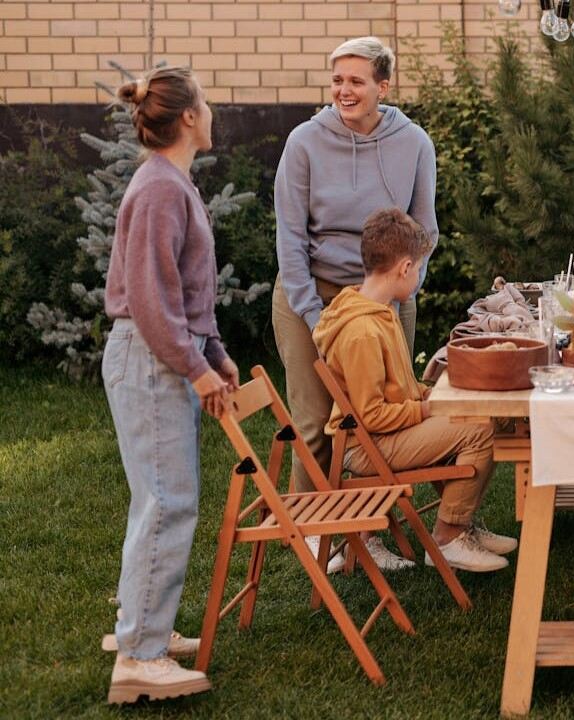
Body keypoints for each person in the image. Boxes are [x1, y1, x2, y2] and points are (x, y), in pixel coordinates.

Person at [101, 67, 238, 704]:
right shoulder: (159, 188)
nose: (210, 113)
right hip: (150, 356)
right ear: (187, 117)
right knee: (167, 500)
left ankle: (143, 627)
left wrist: (214, 350)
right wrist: (198, 368)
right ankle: (139, 658)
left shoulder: (171, 183)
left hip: (160, 352)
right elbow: (153, 303)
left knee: (157, 497)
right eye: (204, 104)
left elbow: (185, 292)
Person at [273, 37, 438, 507]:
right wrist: (312, 313)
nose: (344, 91)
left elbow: (424, 230)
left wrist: (403, 290)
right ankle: (312, 528)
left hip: (386, 294)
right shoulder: (304, 142)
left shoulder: (414, 143)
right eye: (337, 81)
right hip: (311, 290)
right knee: (314, 421)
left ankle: (373, 529)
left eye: (356, 81)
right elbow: (289, 237)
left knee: (385, 413)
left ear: (382, 86)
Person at [312, 208, 515, 573]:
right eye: (419, 267)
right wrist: (427, 410)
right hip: (365, 447)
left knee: (489, 414)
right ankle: (448, 537)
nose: (419, 275)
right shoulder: (361, 332)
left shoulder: (380, 310)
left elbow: (398, 387)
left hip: (388, 432)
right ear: (404, 268)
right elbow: (370, 415)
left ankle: (463, 525)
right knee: (479, 428)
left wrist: (431, 393)